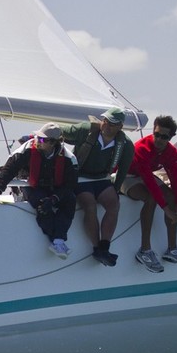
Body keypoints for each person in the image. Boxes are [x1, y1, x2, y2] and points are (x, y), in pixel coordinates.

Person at [0, 122, 79, 258]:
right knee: (42, 205)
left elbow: (70, 184)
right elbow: (8, 171)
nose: (37, 141)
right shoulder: (27, 150)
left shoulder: (68, 158)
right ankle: (56, 239)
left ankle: (58, 240)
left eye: (41, 139)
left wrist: (54, 199)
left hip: (54, 188)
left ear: (53, 143)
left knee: (70, 200)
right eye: (38, 137)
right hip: (31, 186)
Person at [119, 115, 177, 272]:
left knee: (172, 196)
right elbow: (150, 183)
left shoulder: (171, 152)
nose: (159, 139)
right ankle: (145, 250)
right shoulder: (142, 148)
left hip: (144, 176)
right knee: (151, 198)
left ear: (171, 137)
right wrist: (167, 210)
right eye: (157, 134)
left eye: (164, 137)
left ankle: (172, 249)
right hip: (126, 176)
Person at [60, 107, 135, 266]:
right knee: (90, 204)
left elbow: (123, 169)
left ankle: (104, 247)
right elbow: (60, 131)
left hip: (102, 178)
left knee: (113, 204)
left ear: (120, 127)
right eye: (105, 121)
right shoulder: (85, 131)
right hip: (80, 178)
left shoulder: (125, 144)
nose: (106, 125)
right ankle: (96, 247)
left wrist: (115, 189)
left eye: (112, 124)